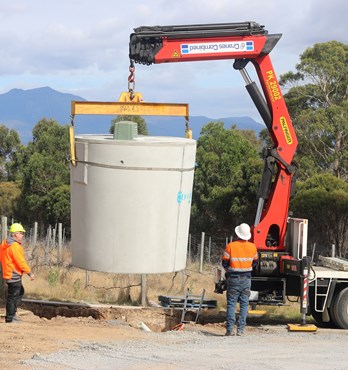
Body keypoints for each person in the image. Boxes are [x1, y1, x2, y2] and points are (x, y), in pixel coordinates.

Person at [222, 223, 258, 336]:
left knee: (231, 304)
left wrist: (229, 270)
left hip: (233, 278)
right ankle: (241, 330)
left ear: (238, 233)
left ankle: (229, 330)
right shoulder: (253, 247)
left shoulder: (231, 246)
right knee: (244, 304)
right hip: (247, 278)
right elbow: (256, 263)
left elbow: (224, 262)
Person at [0, 223, 35, 323]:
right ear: (16, 234)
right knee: (13, 296)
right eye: (21, 233)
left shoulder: (5, 244)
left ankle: (12, 315)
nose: (23, 235)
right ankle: (10, 318)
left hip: (9, 273)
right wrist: (30, 273)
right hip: (14, 274)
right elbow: (20, 262)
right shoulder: (14, 246)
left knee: (19, 292)